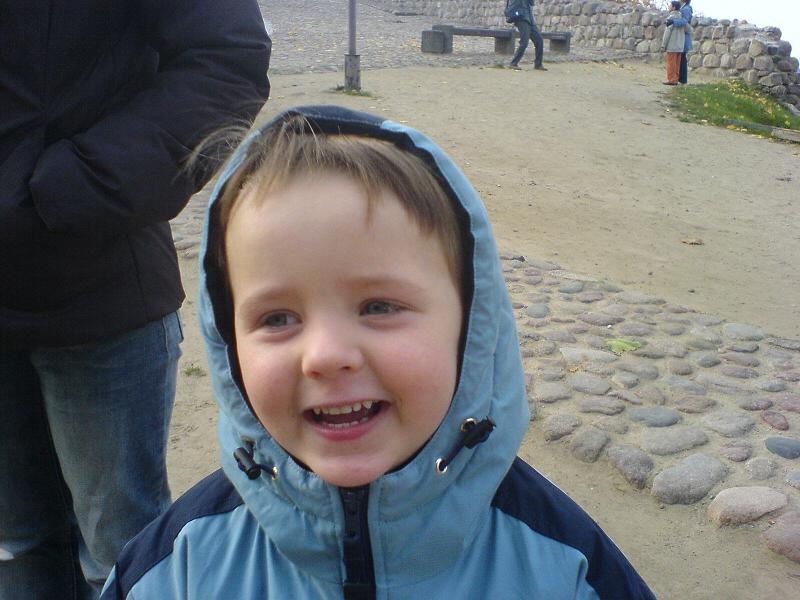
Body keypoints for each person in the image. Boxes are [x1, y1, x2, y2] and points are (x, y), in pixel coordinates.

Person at [99, 105, 656, 599]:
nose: (325, 356)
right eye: (277, 318)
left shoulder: (567, 567)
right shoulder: (176, 569)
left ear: (470, 327)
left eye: (379, 306)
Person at [0, 1, 270, 598]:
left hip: (101, 282)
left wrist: (72, 186)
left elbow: (226, 56)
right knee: (13, 545)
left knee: (121, 550)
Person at [508, 0, 548, 70]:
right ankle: (513, 63)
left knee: (539, 40)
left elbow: (532, 3)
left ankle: (538, 64)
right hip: (521, 19)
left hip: (530, 19)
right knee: (524, 42)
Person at [668, 0, 695, 85]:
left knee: (682, 59)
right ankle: (679, 79)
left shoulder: (686, 9)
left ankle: (682, 80)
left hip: (684, 37)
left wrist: (673, 22)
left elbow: (685, 21)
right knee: (681, 58)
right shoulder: (684, 8)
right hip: (682, 36)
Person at [661, 1, 687, 85]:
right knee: (677, 64)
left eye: (670, 5)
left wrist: (663, 45)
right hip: (680, 46)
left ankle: (672, 80)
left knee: (671, 64)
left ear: (674, 7)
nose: (669, 7)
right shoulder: (682, 19)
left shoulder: (671, 18)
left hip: (672, 45)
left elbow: (667, 33)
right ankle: (675, 79)